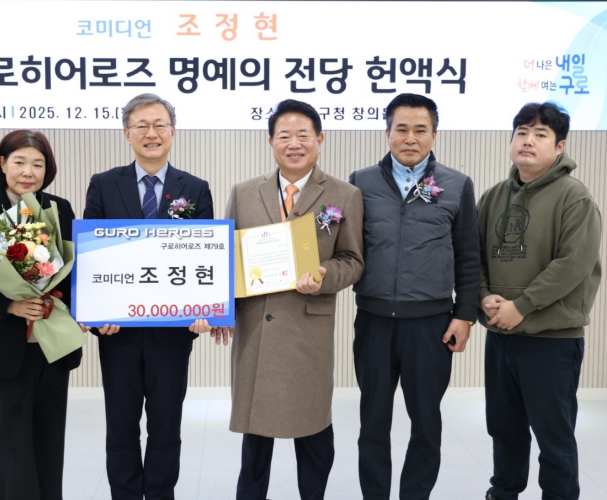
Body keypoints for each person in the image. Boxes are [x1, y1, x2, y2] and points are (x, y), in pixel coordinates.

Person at [217, 98, 364, 500]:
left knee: (313, 434)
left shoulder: (344, 194)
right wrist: (220, 311)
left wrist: (325, 276)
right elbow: (226, 259)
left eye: (303, 135)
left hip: (307, 331)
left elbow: (353, 261)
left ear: (320, 140)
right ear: (271, 142)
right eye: (284, 135)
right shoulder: (244, 192)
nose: (294, 143)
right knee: (255, 443)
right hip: (256, 329)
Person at [81, 93, 214, 500]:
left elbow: (204, 256)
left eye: (159, 125)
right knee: (120, 428)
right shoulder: (104, 184)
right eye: (141, 125)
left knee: (165, 428)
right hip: (117, 332)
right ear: (127, 134)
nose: (151, 133)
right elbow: (92, 256)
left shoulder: (195, 188)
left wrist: (205, 309)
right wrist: (95, 313)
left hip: (172, 333)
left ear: (172, 131)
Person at [349, 93, 480, 499]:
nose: (410, 138)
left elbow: (469, 256)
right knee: (373, 422)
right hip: (374, 321)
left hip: (431, 325)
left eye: (420, 130)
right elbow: (347, 248)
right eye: (401, 129)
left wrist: (465, 315)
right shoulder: (360, 183)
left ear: (434, 135)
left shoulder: (456, 185)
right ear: (387, 133)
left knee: (426, 423)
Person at [0, 130, 82, 500]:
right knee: (12, 441)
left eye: (38, 164)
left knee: (50, 438)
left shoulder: (60, 208)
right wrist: (10, 305)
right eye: (20, 162)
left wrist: (77, 309)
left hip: (52, 342)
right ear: (3, 164)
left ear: (47, 169)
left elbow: (76, 272)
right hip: (3, 343)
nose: (28, 172)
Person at [479, 102, 601, 500]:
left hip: (552, 340)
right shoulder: (493, 197)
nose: (528, 140)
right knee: (504, 429)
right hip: (501, 336)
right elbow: (472, 257)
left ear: (560, 146)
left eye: (540, 134)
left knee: (553, 436)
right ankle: (503, 493)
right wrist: (484, 296)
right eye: (521, 132)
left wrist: (521, 306)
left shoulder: (574, 198)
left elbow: (573, 264)